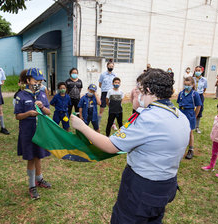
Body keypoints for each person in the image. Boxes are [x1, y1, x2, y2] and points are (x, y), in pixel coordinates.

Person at [70, 69, 190, 223]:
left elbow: (111, 146)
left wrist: (82, 126)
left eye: (139, 90)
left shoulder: (148, 118)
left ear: (148, 90)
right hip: (166, 185)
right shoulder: (181, 116)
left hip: (142, 188)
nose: (136, 94)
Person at [14, 67, 52, 200]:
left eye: (41, 81)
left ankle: (39, 179)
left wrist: (42, 107)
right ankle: (31, 186)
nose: (38, 84)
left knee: (39, 156)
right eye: (36, 80)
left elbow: (48, 112)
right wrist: (28, 114)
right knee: (31, 158)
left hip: (40, 132)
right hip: (27, 133)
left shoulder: (42, 94)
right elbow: (18, 116)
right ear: (28, 80)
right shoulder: (21, 95)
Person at [177, 77, 202, 159]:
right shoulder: (181, 93)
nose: (186, 86)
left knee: (190, 132)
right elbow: (179, 103)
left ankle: (191, 149)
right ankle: (180, 148)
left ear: (193, 85)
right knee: (181, 131)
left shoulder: (195, 94)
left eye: (188, 85)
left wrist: (195, 115)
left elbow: (199, 105)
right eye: (185, 84)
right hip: (181, 113)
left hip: (190, 113)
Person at [98, 59, 116, 126]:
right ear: (107, 66)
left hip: (111, 93)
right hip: (104, 93)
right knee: (101, 109)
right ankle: (98, 124)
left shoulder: (114, 75)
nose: (111, 67)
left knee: (112, 109)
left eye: (112, 66)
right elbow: (100, 84)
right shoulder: (103, 75)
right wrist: (104, 89)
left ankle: (113, 124)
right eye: (110, 66)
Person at [193, 65, 208, 134]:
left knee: (199, 110)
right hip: (193, 95)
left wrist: (200, 94)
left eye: (199, 70)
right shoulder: (192, 79)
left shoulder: (204, 80)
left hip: (200, 95)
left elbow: (204, 88)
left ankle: (197, 127)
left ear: (202, 71)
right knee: (191, 109)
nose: (197, 72)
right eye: (196, 70)